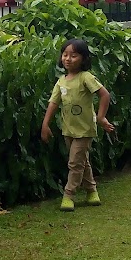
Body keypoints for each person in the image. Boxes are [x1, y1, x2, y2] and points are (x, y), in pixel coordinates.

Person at [41, 39, 114, 212]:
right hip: (68, 130)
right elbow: (53, 103)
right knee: (81, 161)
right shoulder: (61, 82)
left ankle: (68, 195)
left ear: (83, 58)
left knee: (74, 163)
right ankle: (91, 191)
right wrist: (45, 125)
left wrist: (101, 117)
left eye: (74, 56)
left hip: (85, 129)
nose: (68, 59)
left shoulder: (86, 78)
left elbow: (104, 95)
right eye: (65, 55)